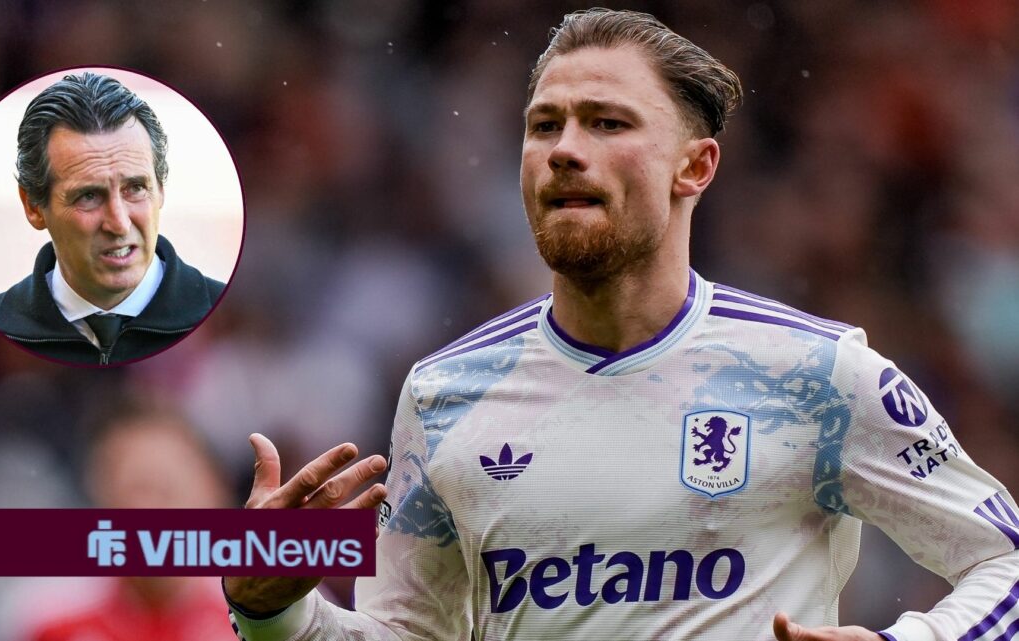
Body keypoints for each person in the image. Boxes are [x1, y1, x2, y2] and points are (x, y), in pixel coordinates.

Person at [224, 9, 1019, 641]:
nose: (565, 150)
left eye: (607, 123)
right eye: (545, 126)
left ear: (694, 166)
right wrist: (273, 611)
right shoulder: (445, 395)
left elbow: (1005, 563)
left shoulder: (818, 375)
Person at [0, 72, 225, 366]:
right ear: (33, 206)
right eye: (89, 196)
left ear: (160, 190)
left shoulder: (224, 317)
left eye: (135, 188)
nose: (118, 223)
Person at [1, 399, 238, 641]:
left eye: (167, 489)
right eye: (139, 489)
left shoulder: (252, 616)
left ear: (212, 494)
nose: (153, 510)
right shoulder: (51, 617)